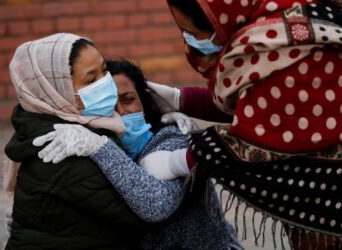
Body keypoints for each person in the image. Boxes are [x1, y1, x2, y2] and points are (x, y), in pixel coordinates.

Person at [4, 33, 242, 250]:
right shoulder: (69, 144)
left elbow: (157, 203)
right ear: (60, 94)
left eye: (128, 99)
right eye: (91, 80)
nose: (117, 109)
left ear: (147, 103)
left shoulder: (166, 138)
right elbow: (152, 207)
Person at [144, 0, 342, 249]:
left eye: (194, 34)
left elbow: (258, 136)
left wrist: (180, 161)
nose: (190, 41)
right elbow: (259, 107)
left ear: (222, 19)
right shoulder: (265, 33)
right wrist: (179, 99)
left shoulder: (294, 44)